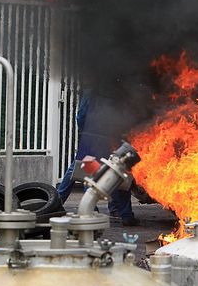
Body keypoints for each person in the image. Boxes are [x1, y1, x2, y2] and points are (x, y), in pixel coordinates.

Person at [57, 88, 138, 226]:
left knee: (86, 171)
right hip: (114, 138)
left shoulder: (93, 89)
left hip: (93, 136)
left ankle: (63, 203)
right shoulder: (123, 89)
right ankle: (126, 214)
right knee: (118, 172)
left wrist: (87, 130)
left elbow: (81, 116)